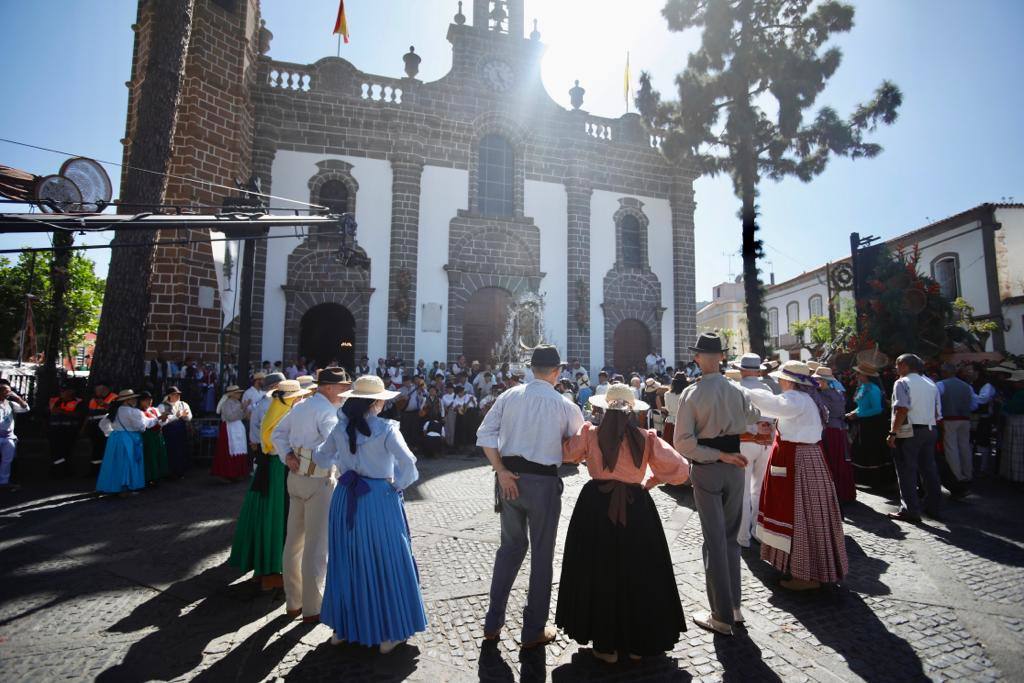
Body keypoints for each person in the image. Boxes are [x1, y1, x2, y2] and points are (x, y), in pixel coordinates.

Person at [557, 384, 690, 663]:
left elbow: (566, 454)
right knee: (639, 569)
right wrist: (653, 480)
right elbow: (680, 470)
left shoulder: (590, 434)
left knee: (598, 567)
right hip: (636, 506)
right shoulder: (646, 438)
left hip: (596, 505)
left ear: (605, 408)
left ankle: (605, 646)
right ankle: (638, 644)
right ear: (632, 411)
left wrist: (584, 453)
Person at [477, 345, 584, 649]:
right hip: (544, 485)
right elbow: (579, 448)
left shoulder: (509, 396)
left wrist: (500, 471)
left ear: (531, 369)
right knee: (542, 555)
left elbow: (484, 435)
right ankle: (533, 629)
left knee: (508, 549)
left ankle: (492, 623)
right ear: (557, 371)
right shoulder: (564, 404)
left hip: (510, 479)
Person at [314, 375, 427, 654]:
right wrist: (396, 486)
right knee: (386, 560)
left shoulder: (340, 427)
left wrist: (341, 462)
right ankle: (389, 632)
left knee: (347, 559)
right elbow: (409, 466)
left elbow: (319, 457)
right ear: (377, 401)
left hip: (345, 496)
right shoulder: (387, 429)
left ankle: (344, 627)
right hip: (378, 497)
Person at [674, 333, 757, 635]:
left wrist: (716, 452)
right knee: (731, 538)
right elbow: (754, 415)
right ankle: (734, 607)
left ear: (698, 358)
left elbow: (682, 443)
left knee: (715, 540)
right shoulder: (736, 390)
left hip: (710, 468)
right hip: (735, 467)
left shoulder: (692, 394)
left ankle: (722, 615)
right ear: (721, 357)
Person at [745, 361, 849, 590]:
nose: (779, 382)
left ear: (790, 380)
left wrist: (740, 389)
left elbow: (770, 404)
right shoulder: (808, 399)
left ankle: (805, 575)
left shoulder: (796, 399)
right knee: (810, 514)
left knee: (798, 514)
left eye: (782, 378)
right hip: (809, 458)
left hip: (798, 461)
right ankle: (811, 569)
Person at [272, 367, 351, 623]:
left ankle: (293, 602)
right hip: (319, 480)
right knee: (317, 547)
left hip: (296, 479)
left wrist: (289, 456)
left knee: (293, 542)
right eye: (342, 387)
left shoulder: (302, 406)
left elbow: (278, 434)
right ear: (328, 387)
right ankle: (312, 608)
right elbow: (335, 446)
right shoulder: (327, 412)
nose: (345, 391)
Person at [229, 378, 310, 591]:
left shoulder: (270, 408)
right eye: (297, 397)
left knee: (266, 516)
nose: (300, 399)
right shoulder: (284, 414)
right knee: (277, 517)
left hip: (268, 467)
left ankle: (265, 568)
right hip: (278, 469)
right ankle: (272, 570)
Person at [887, 354, 943, 522]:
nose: (896, 369)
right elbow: (936, 411)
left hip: (910, 431)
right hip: (930, 429)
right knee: (929, 469)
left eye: (897, 365)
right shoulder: (930, 383)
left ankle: (910, 510)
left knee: (906, 471)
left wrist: (893, 433)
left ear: (904, 365)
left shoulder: (902, 382)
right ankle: (933, 507)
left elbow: (902, 409)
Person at [732, 354, 776, 548]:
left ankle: (743, 537)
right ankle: (758, 532)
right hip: (766, 443)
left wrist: (753, 428)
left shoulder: (736, 388)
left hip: (745, 442)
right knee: (758, 489)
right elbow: (774, 416)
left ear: (741, 370)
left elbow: (734, 418)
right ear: (758, 371)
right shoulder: (766, 388)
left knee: (744, 492)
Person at [96, 389, 164, 495]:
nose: (135, 400)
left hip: (115, 439)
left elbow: (102, 423)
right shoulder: (133, 412)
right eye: (133, 398)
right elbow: (141, 426)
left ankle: (113, 487)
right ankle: (125, 488)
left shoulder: (115, 410)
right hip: (129, 439)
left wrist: (111, 433)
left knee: (115, 463)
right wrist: (157, 419)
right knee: (128, 463)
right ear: (127, 400)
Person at [814, 366, 856, 503]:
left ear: (823, 380)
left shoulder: (824, 394)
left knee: (833, 462)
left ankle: (837, 493)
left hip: (831, 430)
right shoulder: (837, 392)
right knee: (840, 461)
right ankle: (843, 492)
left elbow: (829, 413)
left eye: (818, 380)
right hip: (839, 429)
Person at [846, 362, 889, 486]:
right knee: (861, 449)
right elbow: (861, 406)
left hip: (873, 425)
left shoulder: (873, 389)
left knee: (871, 451)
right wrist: (853, 412)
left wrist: (857, 415)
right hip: (863, 423)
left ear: (865, 375)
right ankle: (864, 479)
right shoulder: (863, 387)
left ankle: (875, 480)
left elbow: (877, 409)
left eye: (859, 373)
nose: (857, 375)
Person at [937, 362, 974, 498]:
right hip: (965, 418)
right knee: (964, 446)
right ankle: (968, 473)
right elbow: (974, 403)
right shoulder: (967, 386)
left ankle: (956, 475)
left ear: (945, 372)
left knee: (951, 447)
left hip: (949, 419)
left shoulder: (941, 385)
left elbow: (937, 402)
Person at [212, 385, 249, 482]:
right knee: (230, 450)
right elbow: (230, 417)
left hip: (237, 427)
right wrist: (242, 408)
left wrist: (244, 410)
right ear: (232, 394)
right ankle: (229, 473)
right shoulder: (227, 403)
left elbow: (240, 415)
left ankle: (237, 472)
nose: (239, 395)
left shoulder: (236, 402)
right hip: (230, 429)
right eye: (237, 393)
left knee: (239, 449)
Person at [0, 380, 29, 491]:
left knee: (7, 461)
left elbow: (25, 408)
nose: (7, 393)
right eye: (4, 390)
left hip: (8, 437)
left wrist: (17, 398)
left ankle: (3, 482)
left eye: (8, 391)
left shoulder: (11, 404)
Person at [48, 385, 83, 478]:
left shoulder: (78, 402)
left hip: (69, 430)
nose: (63, 393)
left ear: (72, 391)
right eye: (62, 391)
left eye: (65, 390)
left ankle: (65, 471)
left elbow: (79, 415)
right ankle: (57, 471)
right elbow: (47, 413)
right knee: (55, 451)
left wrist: (62, 412)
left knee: (67, 451)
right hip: (55, 430)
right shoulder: (55, 401)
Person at [160, 386, 192, 478]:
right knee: (170, 451)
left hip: (181, 431)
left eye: (178, 394)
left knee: (181, 451)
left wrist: (184, 416)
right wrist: (177, 416)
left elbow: (189, 417)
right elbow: (161, 421)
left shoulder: (183, 404)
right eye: (175, 394)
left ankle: (180, 472)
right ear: (169, 395)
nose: (177, 396)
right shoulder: (162, 406)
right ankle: (169, 472)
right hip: (169, 432)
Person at [138, 391, 169, 485]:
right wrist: (159, 419)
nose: (149, 402)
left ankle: (160, 475)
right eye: (147, 400)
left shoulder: (153, 410)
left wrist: (163, 419)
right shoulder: (139, 412)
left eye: (150, 400)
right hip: (148, 436)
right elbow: (147, 424)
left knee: (160, 455)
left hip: (158, 434)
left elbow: (161, 423)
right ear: (141, 401)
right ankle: (151, 477)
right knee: (150, 457)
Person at [85, 382, 118, 468]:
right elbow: (89, 414)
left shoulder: (114, 397)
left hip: (105, 428)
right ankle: (94, 468)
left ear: (105, 389)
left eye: (98, 389)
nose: (96, 391)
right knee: (95, 448)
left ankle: (106, 467)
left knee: (104, 447)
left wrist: (105, 405)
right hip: (93, 426)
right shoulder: (93, 399)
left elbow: (116, 411)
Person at [1000, 370, 1024, 482]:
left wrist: (1003, 404)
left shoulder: (1020, 394)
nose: (1014, 384)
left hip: (1018, 422)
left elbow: (1012, 408)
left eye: (1016, 382)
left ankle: (1017, 477)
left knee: (1017, 451)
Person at [662, 371, 688, 445]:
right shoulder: (688, 394)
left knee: (670, 447)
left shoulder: (667, 394)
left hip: (671, 422)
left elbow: (667, 408)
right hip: (685, 423)